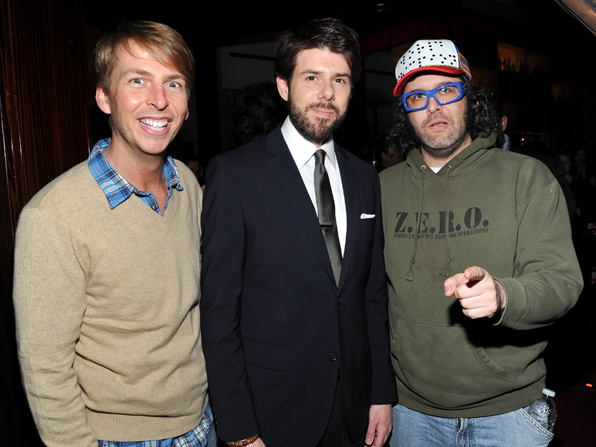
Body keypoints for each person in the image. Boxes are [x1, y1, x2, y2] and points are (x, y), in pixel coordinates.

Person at [13, 20, 214, 447]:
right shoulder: (53, 217)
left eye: (173, 84)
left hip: (202, 423)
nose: (158, 100)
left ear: (187, 103)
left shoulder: (190, 190)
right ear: (104, 97)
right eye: (138, 80)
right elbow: (45, 367)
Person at [200, 17, 397, 447]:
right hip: (272, 414)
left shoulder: (366, 178)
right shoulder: (235, 175)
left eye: (340, 79)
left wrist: (381, 393)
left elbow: (371, 296)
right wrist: (238, 430)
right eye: (312, 77)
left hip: (353, 408)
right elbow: (218, 313)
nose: (327, 93)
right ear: (284, 86)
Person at [380, 39, 583, 446]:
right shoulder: (380, 189)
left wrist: (505, 296)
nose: (434, 107)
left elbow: (563, 282)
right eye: (418, 97)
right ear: (405, 111)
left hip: (509, 413)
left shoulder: (526, 177)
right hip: (410, 412)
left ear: (470, 99)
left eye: (447, 91)